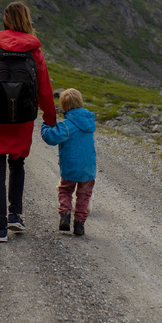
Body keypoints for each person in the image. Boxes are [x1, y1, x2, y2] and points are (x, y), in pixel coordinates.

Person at [0, 2, 56, 242]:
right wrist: (49, 116)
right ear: (27, 20)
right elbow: (44, 89)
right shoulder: (35, 51)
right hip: (22, 119)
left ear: (5, 19)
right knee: (17, 165)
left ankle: (0, 228)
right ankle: (15, 214)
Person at [40, 88, 97, 237]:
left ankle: (65, 215)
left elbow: (51, 137)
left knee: (65, 190)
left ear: (63, 106)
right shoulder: (89, 122)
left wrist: (45, 126)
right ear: (81, 102)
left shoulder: (66, 125)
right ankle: (80, 224)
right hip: (88, 169)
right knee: (84, 196)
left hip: (71, 167)